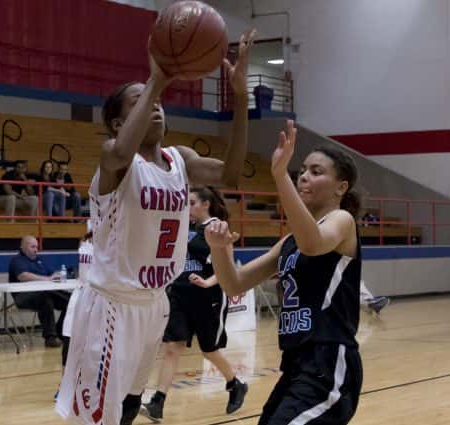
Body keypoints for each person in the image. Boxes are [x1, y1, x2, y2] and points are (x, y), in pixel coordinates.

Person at [55, 29, 255, 425]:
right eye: (142, 101)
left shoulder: (179, 158)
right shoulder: (115, 158)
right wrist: (158, 77)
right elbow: (122, 150)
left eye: (159, 99)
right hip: (112, 304)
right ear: (118, 122)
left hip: (155, 302)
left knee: (131, 405)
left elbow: (232, 174)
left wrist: (240, 98)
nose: (157, 105)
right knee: (96, 418)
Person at [206, 120, 363, 424]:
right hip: (295, 364)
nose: (304, 176)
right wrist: (217, 248)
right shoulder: (288, 242)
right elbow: (234, 283)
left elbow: (314, 243)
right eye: (302, 170)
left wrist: (280, 176)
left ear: (341, 187)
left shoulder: (342, 221)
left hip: (330, 361)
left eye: (316, 172)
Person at [140, 187, 247, 422]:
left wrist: (208, 282)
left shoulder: (218, 227)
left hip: (208, 296)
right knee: (171, 347)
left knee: (209, 350)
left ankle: (235, 384)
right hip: (179, 293)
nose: (187, 206)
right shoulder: (184, 228)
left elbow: (227, 266)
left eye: (191, 202)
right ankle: (157, 402)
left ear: (205, 204)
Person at [8, 235, 71, 348]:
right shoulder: (17, 260)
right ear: (23, 247)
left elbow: (52, 274)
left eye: (36, 247)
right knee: (45, 298)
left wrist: (57, 276)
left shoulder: (39, 260)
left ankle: (60, 332)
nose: (36, 249)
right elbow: (23, 276)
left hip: (45, 293)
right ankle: (50, 337)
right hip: (23, 297)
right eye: (32, 247)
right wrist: (47, 279)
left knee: (70, 300)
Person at [56, 223, 94, 400]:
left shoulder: (112, 246)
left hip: (99, 298)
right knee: (70, 343)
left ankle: (89, 386)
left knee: (94, 347)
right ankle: (65, 385)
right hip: (82, 295)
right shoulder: (86, 245)